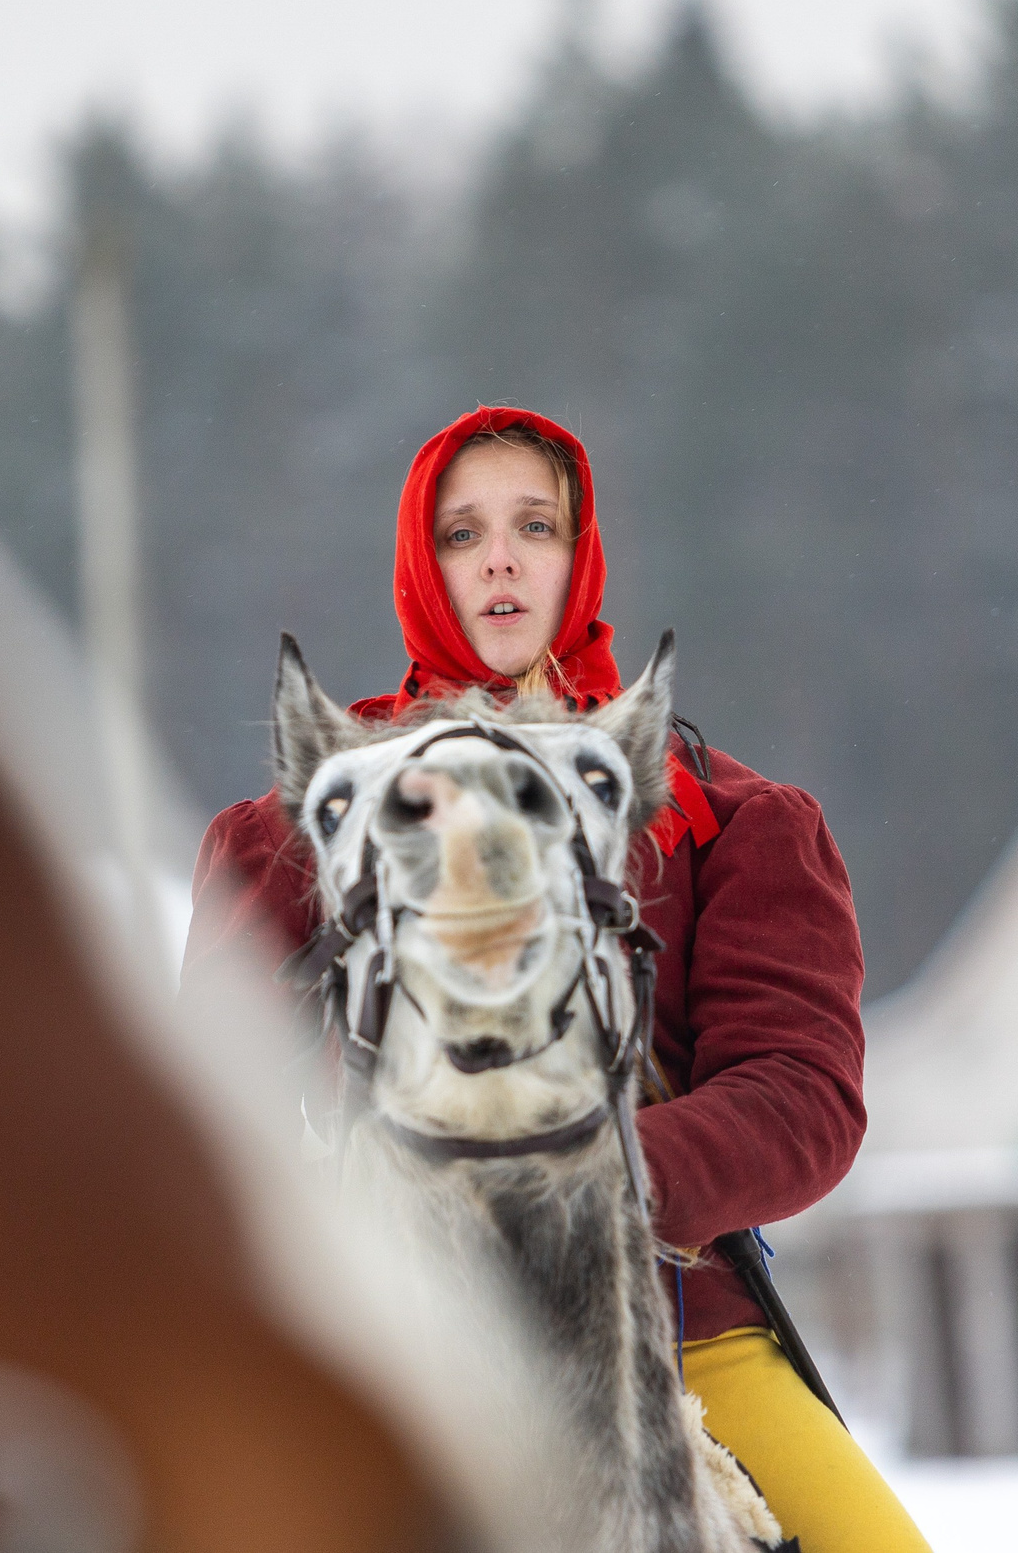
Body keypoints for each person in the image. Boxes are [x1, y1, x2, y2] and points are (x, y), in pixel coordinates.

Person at [183, 405, 930, 1552]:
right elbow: (203, 1107)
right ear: (419, 564)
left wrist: (574, 1181)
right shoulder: (287, 834)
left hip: (676, 1337)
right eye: (462, 533)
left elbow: (800, 1099)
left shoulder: (738, 822)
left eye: (535, 525)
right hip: (384, 1353)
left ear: (580, 556)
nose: (500, 558)